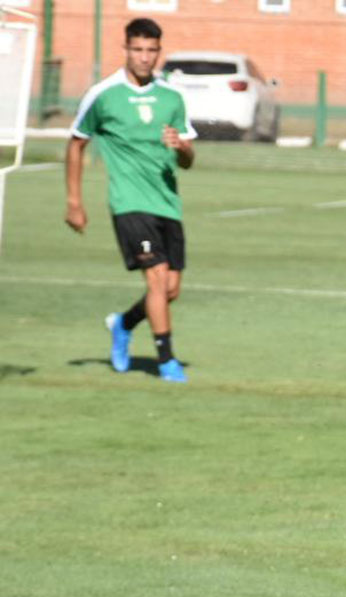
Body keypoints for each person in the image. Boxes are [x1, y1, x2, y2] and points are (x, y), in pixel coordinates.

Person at [65, 17, 196, 383]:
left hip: (167, 203)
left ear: (159, 52)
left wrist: (182, 147)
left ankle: (122, 325)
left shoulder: (173, 96)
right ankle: (167, 361)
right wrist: (74, 201)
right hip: (128, 204)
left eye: (151, 50)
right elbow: (76, 143)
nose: (143, 58)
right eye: (137, 50)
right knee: (156, 281)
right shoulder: (103, 94)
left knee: (170, 291)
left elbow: (188, 161)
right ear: (125, 49)